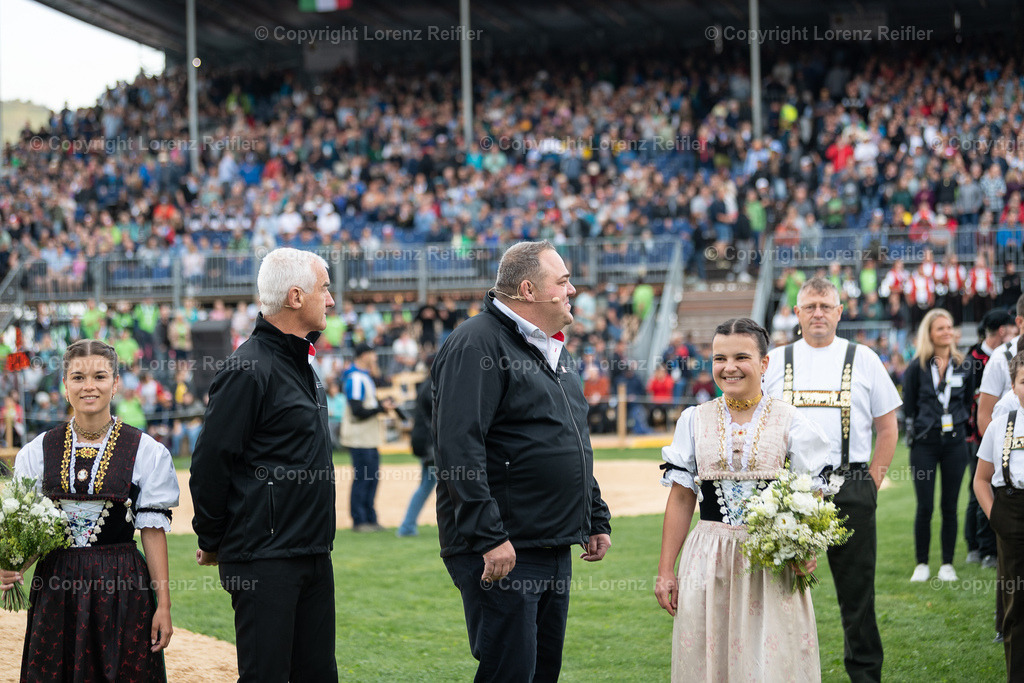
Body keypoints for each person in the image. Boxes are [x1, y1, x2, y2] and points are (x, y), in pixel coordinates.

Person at [432, 240, 612, 682]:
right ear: (529, 290)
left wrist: (594, 515)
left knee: (541, 672)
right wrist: (489, 536)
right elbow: (459, 447)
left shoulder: (555, 350)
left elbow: (572, 439)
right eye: (563, 281)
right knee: (509, 672)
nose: (572, 290)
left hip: (551, 542)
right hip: (504, 548)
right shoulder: (476, 343)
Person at [190, 247, 339, 682]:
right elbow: (210, 462)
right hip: (264, 559)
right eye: (324, 289)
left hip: (313, 552)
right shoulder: (247, 369)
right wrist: (212, 538)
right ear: (296, 297)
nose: (331, 300)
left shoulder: (302, 365)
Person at [656, 318, 830, 681]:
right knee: (709, 656)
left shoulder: (791, 421)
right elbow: (682, 497)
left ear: (764, 363)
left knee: (770, 659)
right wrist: (666, 570)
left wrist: (806, 547)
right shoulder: (694, 420)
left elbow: (810, 492)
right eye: (720, 358)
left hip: (770, 561)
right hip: (708, 559)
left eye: (741, 357)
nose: (729, 367)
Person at [0, 339, 177, 680]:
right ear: (65, 385)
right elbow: (34, 530)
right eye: (78, 377)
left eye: (100, 376)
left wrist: (164, 605)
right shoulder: (37, 451)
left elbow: (153, 531)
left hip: (122, 585)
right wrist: (14, 567)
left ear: (116, 383)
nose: (89, 386)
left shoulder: (146, 451)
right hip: (57, 585)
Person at [763, 276, 902, 683]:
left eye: (826, 306)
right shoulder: (776, 360)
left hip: (851, 483)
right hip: (789, 489)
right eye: (810, 306)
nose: (818, 313)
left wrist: (870, 484)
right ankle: (779, 672)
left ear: (840, 312)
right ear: (797, 313)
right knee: (779, 587)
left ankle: (865, 675)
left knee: (857, 592)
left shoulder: (864, 358)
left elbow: (887, 428)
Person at [902, 309, 974, 582]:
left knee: (950, 506)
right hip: (924, 443)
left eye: (949, 327)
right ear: (929, 333)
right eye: (940, 328)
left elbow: (966, 401)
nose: (947, 332)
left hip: (955, 443)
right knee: (925, 506)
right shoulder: (917, 367)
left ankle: (947, 564)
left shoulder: (964, 365)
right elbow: (909, 406)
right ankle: (922, 563)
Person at [974, 349, 1024, 681]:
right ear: (1013, 386)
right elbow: (981, 479)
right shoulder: (1000, 425)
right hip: (1012, 512)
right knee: (1015, 606)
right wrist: (996, 517)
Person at [965, 309, 1014, 568]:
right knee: (980, 490)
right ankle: (979, 547)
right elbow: (971, 401)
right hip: (979, 437)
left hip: (1002, 438)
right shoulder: (974, 357)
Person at [342, 342, 395, 532]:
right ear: (364, 355)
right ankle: (360, 520)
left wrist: (380, 406)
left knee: (371, 478)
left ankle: (370, 518)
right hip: (360, 437)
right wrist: (380, 408)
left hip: (367, 437)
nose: (375, 357)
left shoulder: (363, 376)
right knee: (364, 478)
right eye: (372, 354)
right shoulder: (356, 377)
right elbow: (357, 410)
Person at [397, 358, 437, 537]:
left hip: (425, 444)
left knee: (426, 485)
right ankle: (406, 527)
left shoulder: (427, 384)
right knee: (431, 485)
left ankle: (407, 526)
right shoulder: (432, 386)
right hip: (430, 446)